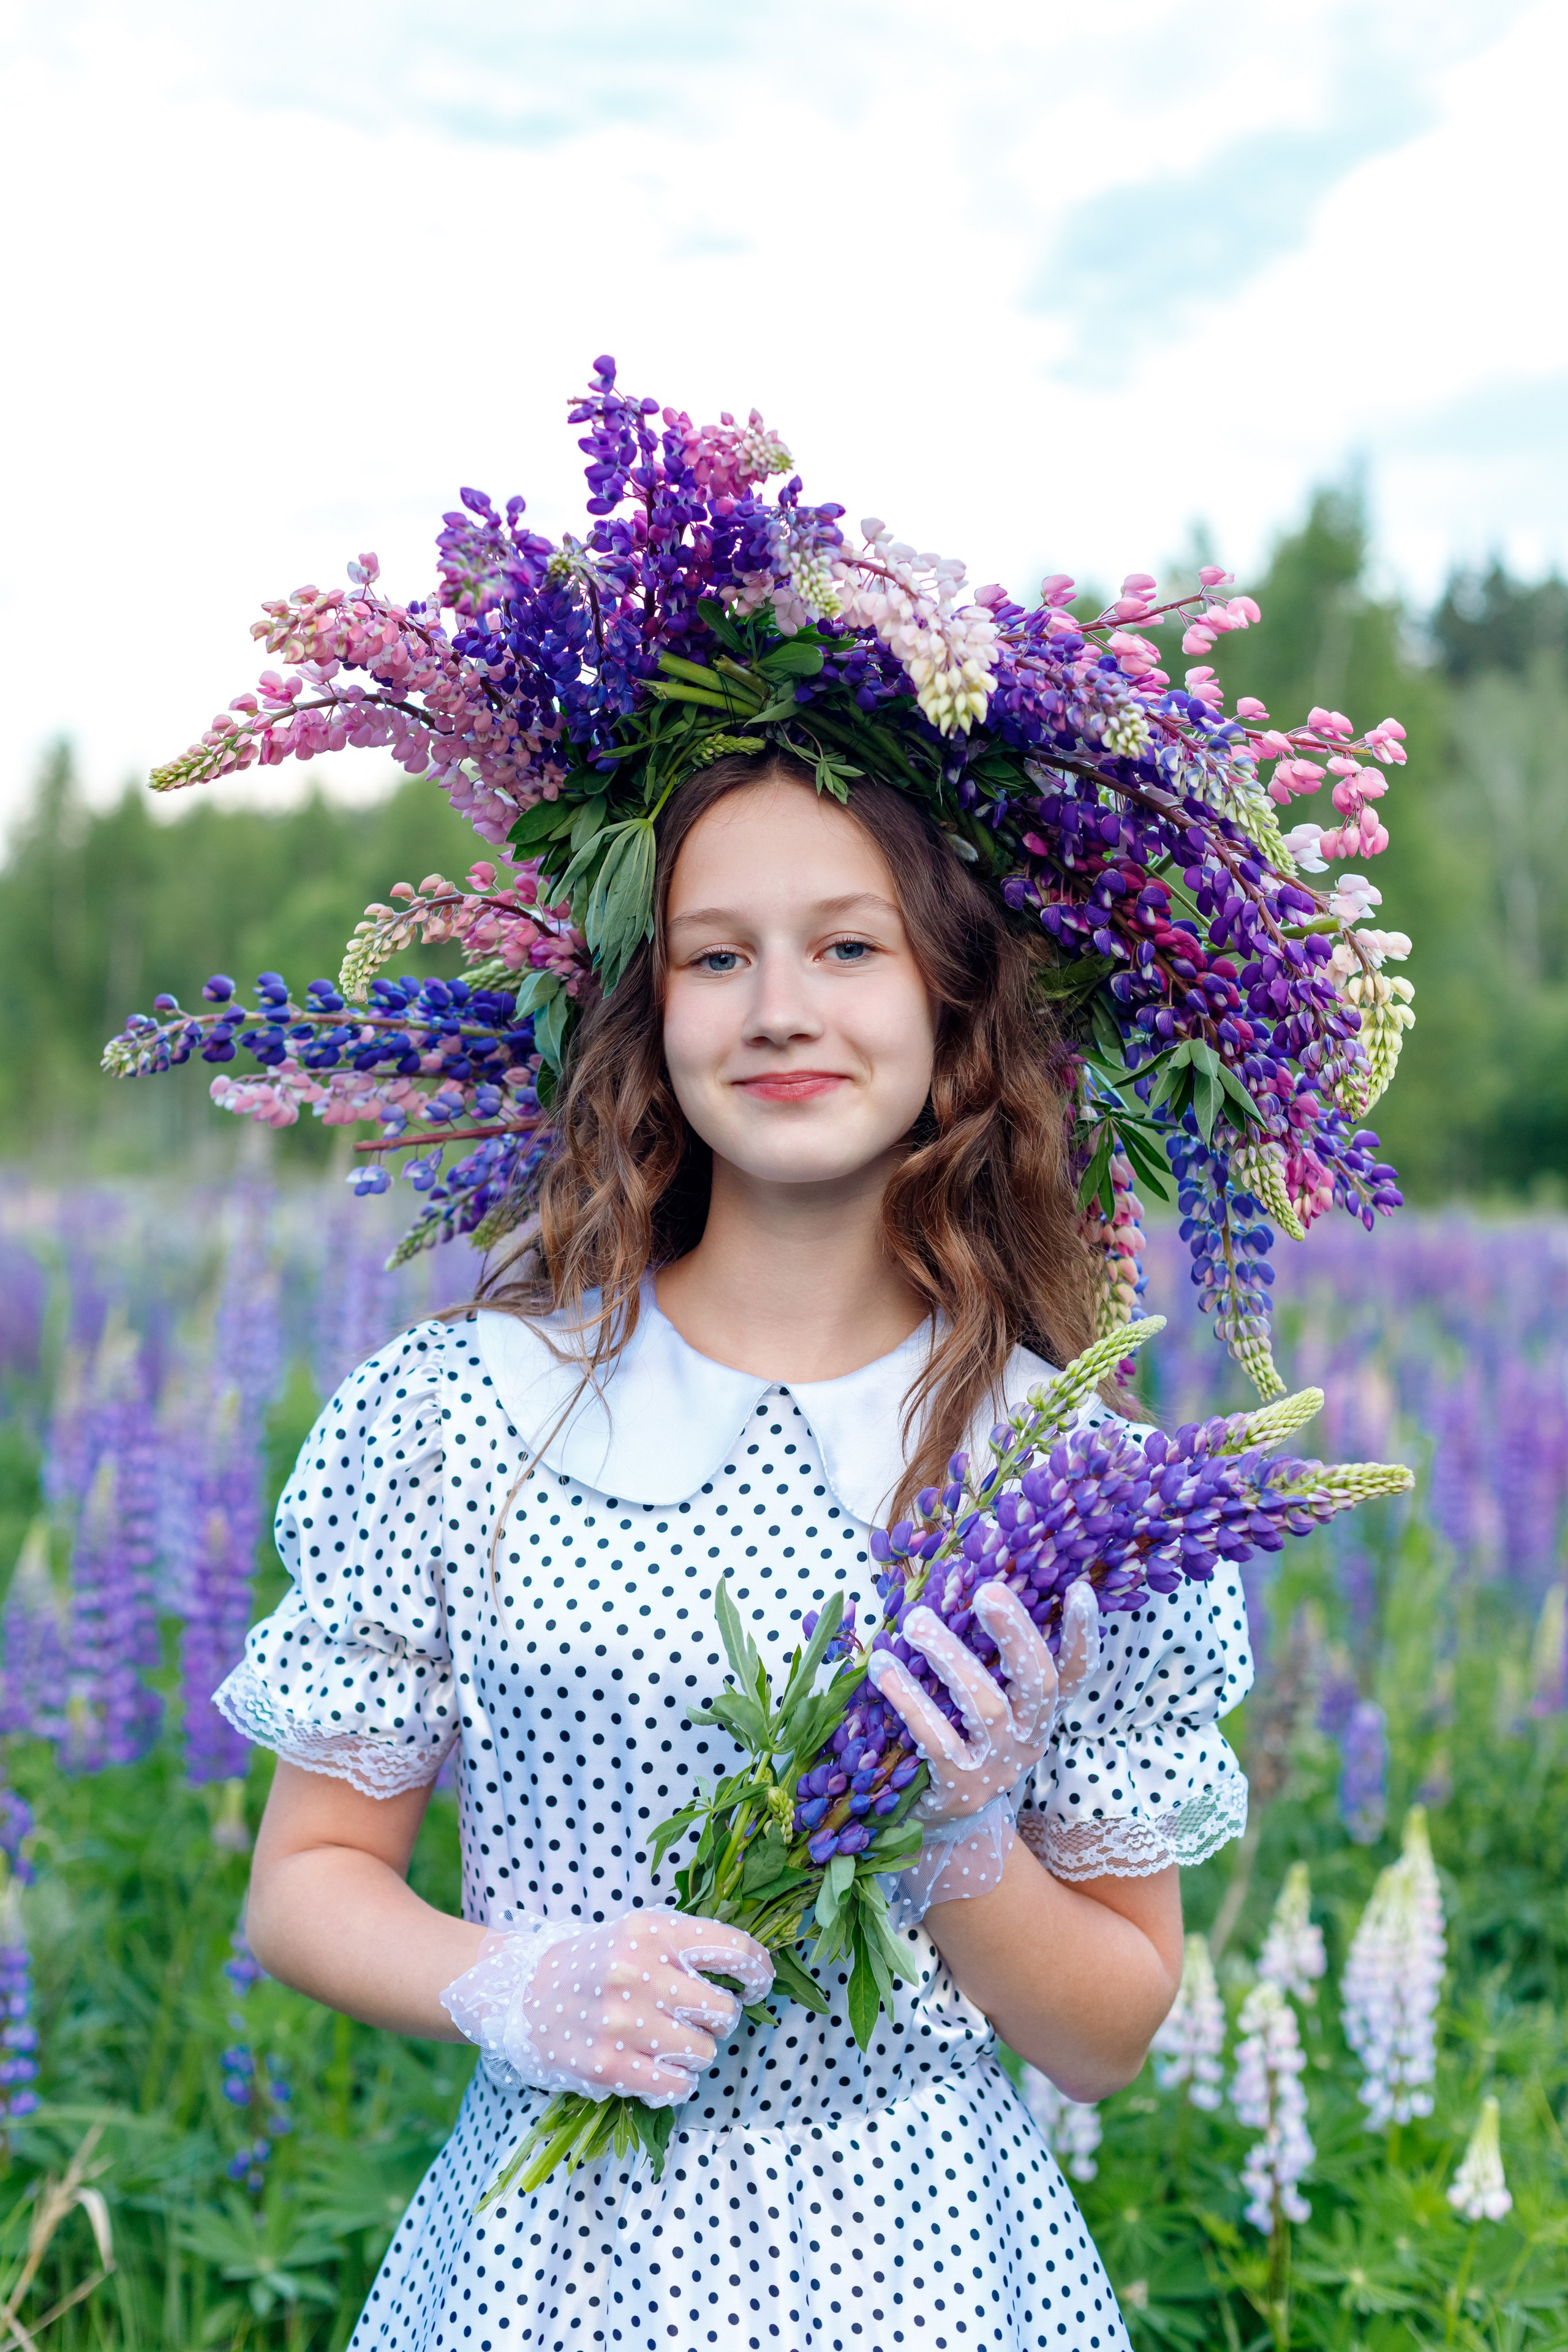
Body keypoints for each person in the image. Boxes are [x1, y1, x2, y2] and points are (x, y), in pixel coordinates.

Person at [228, 753, 1253, 2352]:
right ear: (652, 1013)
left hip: (922, 2267)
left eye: (848, 946)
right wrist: (517, 1985)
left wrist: (962, 1850)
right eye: (717, 955)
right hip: (544, 2269)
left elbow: (1108, 2036)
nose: (779, 1009)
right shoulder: (466, 1416)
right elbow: (305, 1886)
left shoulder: (1074, 1477)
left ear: (954, 1002)